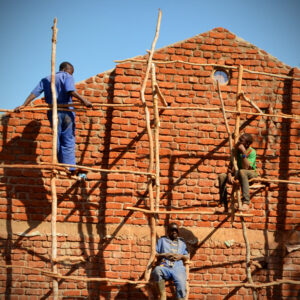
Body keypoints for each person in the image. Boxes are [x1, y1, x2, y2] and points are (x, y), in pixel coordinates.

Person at [15, 62, 92, 175]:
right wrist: (84, 101)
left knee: (57, 137)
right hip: (67, 113)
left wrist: (24, 105)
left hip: (53, 112)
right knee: (68, 139)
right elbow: (70, 90)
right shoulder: (67, 76)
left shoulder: (46, 79)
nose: (72, 75)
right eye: (72, 72)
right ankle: (69, 167)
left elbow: (34, 93)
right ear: (66, 69)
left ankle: (59, 163)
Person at [217, 133, 257, 212]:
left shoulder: (252, 152)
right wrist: (229, 175)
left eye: (241, 141)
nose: (239, 142)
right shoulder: (235, 151)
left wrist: (243, 152)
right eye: (239, 140)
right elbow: (230, 167)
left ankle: (246, 202)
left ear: (247, 144)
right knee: (221, 176)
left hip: (250, 174)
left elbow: (246, 168)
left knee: (243, 171)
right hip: (238, 173)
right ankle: (223, 205)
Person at [151, 222, 189, 300]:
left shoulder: (182, 242)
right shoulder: (162, 240)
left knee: (181, 284)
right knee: (157, 271)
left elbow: (187, 256)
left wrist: (181, 256)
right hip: (165, 266)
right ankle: (163, 295)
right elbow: (156, 254)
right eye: (172, 230)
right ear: (168, 231)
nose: (174, 232)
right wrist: (165, 255)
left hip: (178, 267)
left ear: (178, 231)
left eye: (176, 230)